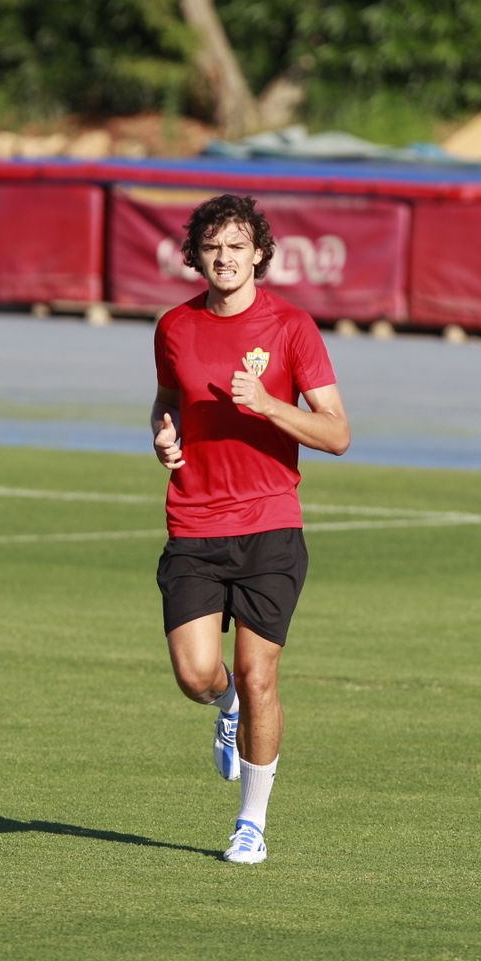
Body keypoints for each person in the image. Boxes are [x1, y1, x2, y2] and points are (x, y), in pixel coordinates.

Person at [150, 193, 350, 864]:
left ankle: (252, 823)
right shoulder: (174, 326)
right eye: (213, 246)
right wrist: (163, 429)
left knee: (260, 674)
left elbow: (338, 433)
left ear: (259, 252)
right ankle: (224, 702)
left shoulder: (292, 328)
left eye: (237, 245)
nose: (225, 257)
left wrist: (267, 406)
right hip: (194, 523)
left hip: (269, 526)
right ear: (196, 256)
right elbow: (169, 396)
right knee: (196, 674)